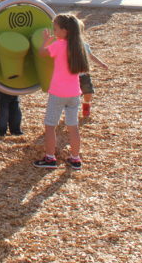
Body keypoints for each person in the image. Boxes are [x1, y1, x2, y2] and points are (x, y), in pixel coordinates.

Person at [33, 14, 91, 170]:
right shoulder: (79, 46)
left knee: (50, 125)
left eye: (56, 28)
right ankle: (75, 158)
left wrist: (45, 41)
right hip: (74, 94)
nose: (54, 31)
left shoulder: (59, 45)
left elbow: (42, 53)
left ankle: (50, 158)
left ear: (65, 31)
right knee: (73, 127)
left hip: (58, 93)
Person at [80, 47, 110, 118]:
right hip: (72, 77)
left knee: (88, 93)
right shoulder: (67, 45)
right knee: (73, 96)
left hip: (84, 75)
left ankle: (86, 108)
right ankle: (70, 112)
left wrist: (101, 64)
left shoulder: (84, 45)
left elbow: (91, 56)